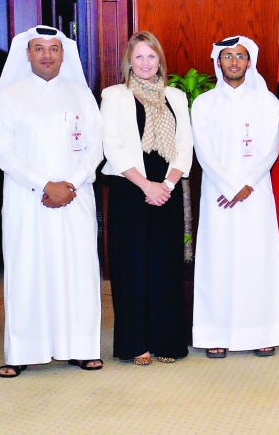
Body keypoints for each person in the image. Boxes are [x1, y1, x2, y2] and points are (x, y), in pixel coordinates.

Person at [0, 25, 105, 377]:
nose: (46, 55)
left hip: (75, 197)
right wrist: (45, 185)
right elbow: (4, 153)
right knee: (28, 271)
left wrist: (70, 184)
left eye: (53, 49)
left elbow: (95, 146)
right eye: (39, 49)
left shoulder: (81, 95)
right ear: (27, 54)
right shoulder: (9, 97)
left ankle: (81, 348)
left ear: (62, 54)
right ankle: (23, 351)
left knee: (77, 271)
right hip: (28, 199)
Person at [190, 36, 279, 358]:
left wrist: (246, 183)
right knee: (217, 261)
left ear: (250, 62)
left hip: (255, 194)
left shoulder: (267, 102)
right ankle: (215, 333)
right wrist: (229, 185)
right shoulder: (203, 103)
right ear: (218, 62)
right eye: (228, 56)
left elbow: (270, 148)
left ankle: (262, 331)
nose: (234, 62)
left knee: (256, 260)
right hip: (218, 195)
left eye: (240, 56)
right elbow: (203, 150)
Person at [100, 31, 193, 366]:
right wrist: (146, 186)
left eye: (151, 56)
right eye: (138, 56)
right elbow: (111, 146)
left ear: (159, 61)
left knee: (165, 267)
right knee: (132, 268)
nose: (144, 62)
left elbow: (185, 145)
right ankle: (135, 342)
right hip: (130, 191)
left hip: (167, 192)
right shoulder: (114, 96)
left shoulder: (176, 97)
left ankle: (166, 339)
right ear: (129, 61)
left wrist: (166, 185)